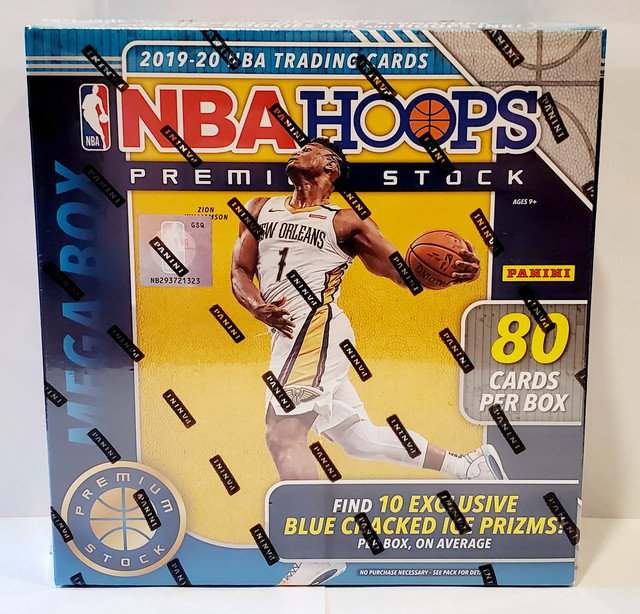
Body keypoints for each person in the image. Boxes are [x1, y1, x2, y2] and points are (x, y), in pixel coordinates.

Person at [230, 137, 507, 586]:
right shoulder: (260, 207)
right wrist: (256, 306)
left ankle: (316, 553)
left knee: (283, 434)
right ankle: (468, 466)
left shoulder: (346, 222)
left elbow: (402, 271)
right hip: (288, 336)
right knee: (358, 440)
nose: (298, 150)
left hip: (315, 329)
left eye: (309, 148)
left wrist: (453, 272)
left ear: (331, 167)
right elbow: (240, 271)